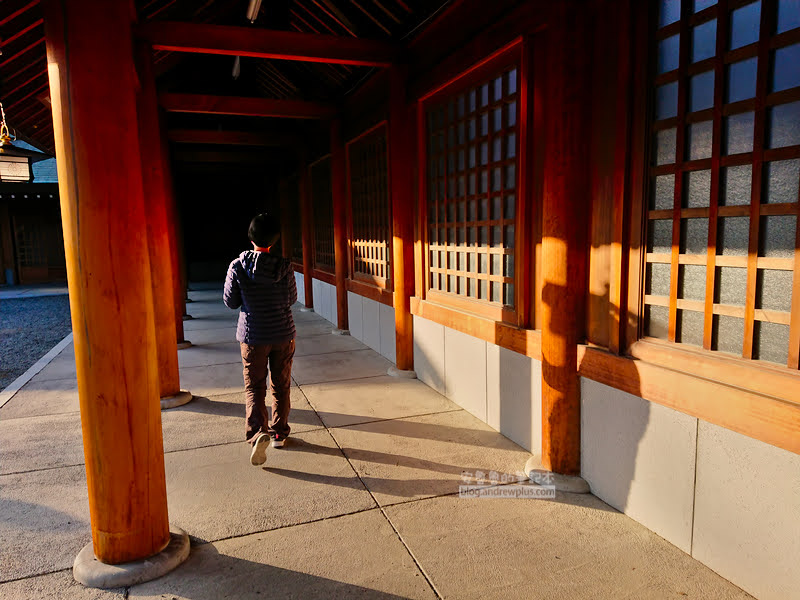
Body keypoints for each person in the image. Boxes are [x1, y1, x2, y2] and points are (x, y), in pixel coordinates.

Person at [223, 213, 297, 466]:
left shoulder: (237, 266)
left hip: (253, 335)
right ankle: (278, 433)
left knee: (255, 387)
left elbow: (230, 302)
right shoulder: (285, 266)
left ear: (251, 237)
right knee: (281, 385)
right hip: (283, 334)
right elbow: (291, 299)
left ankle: (257, 434)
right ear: (274, 241)